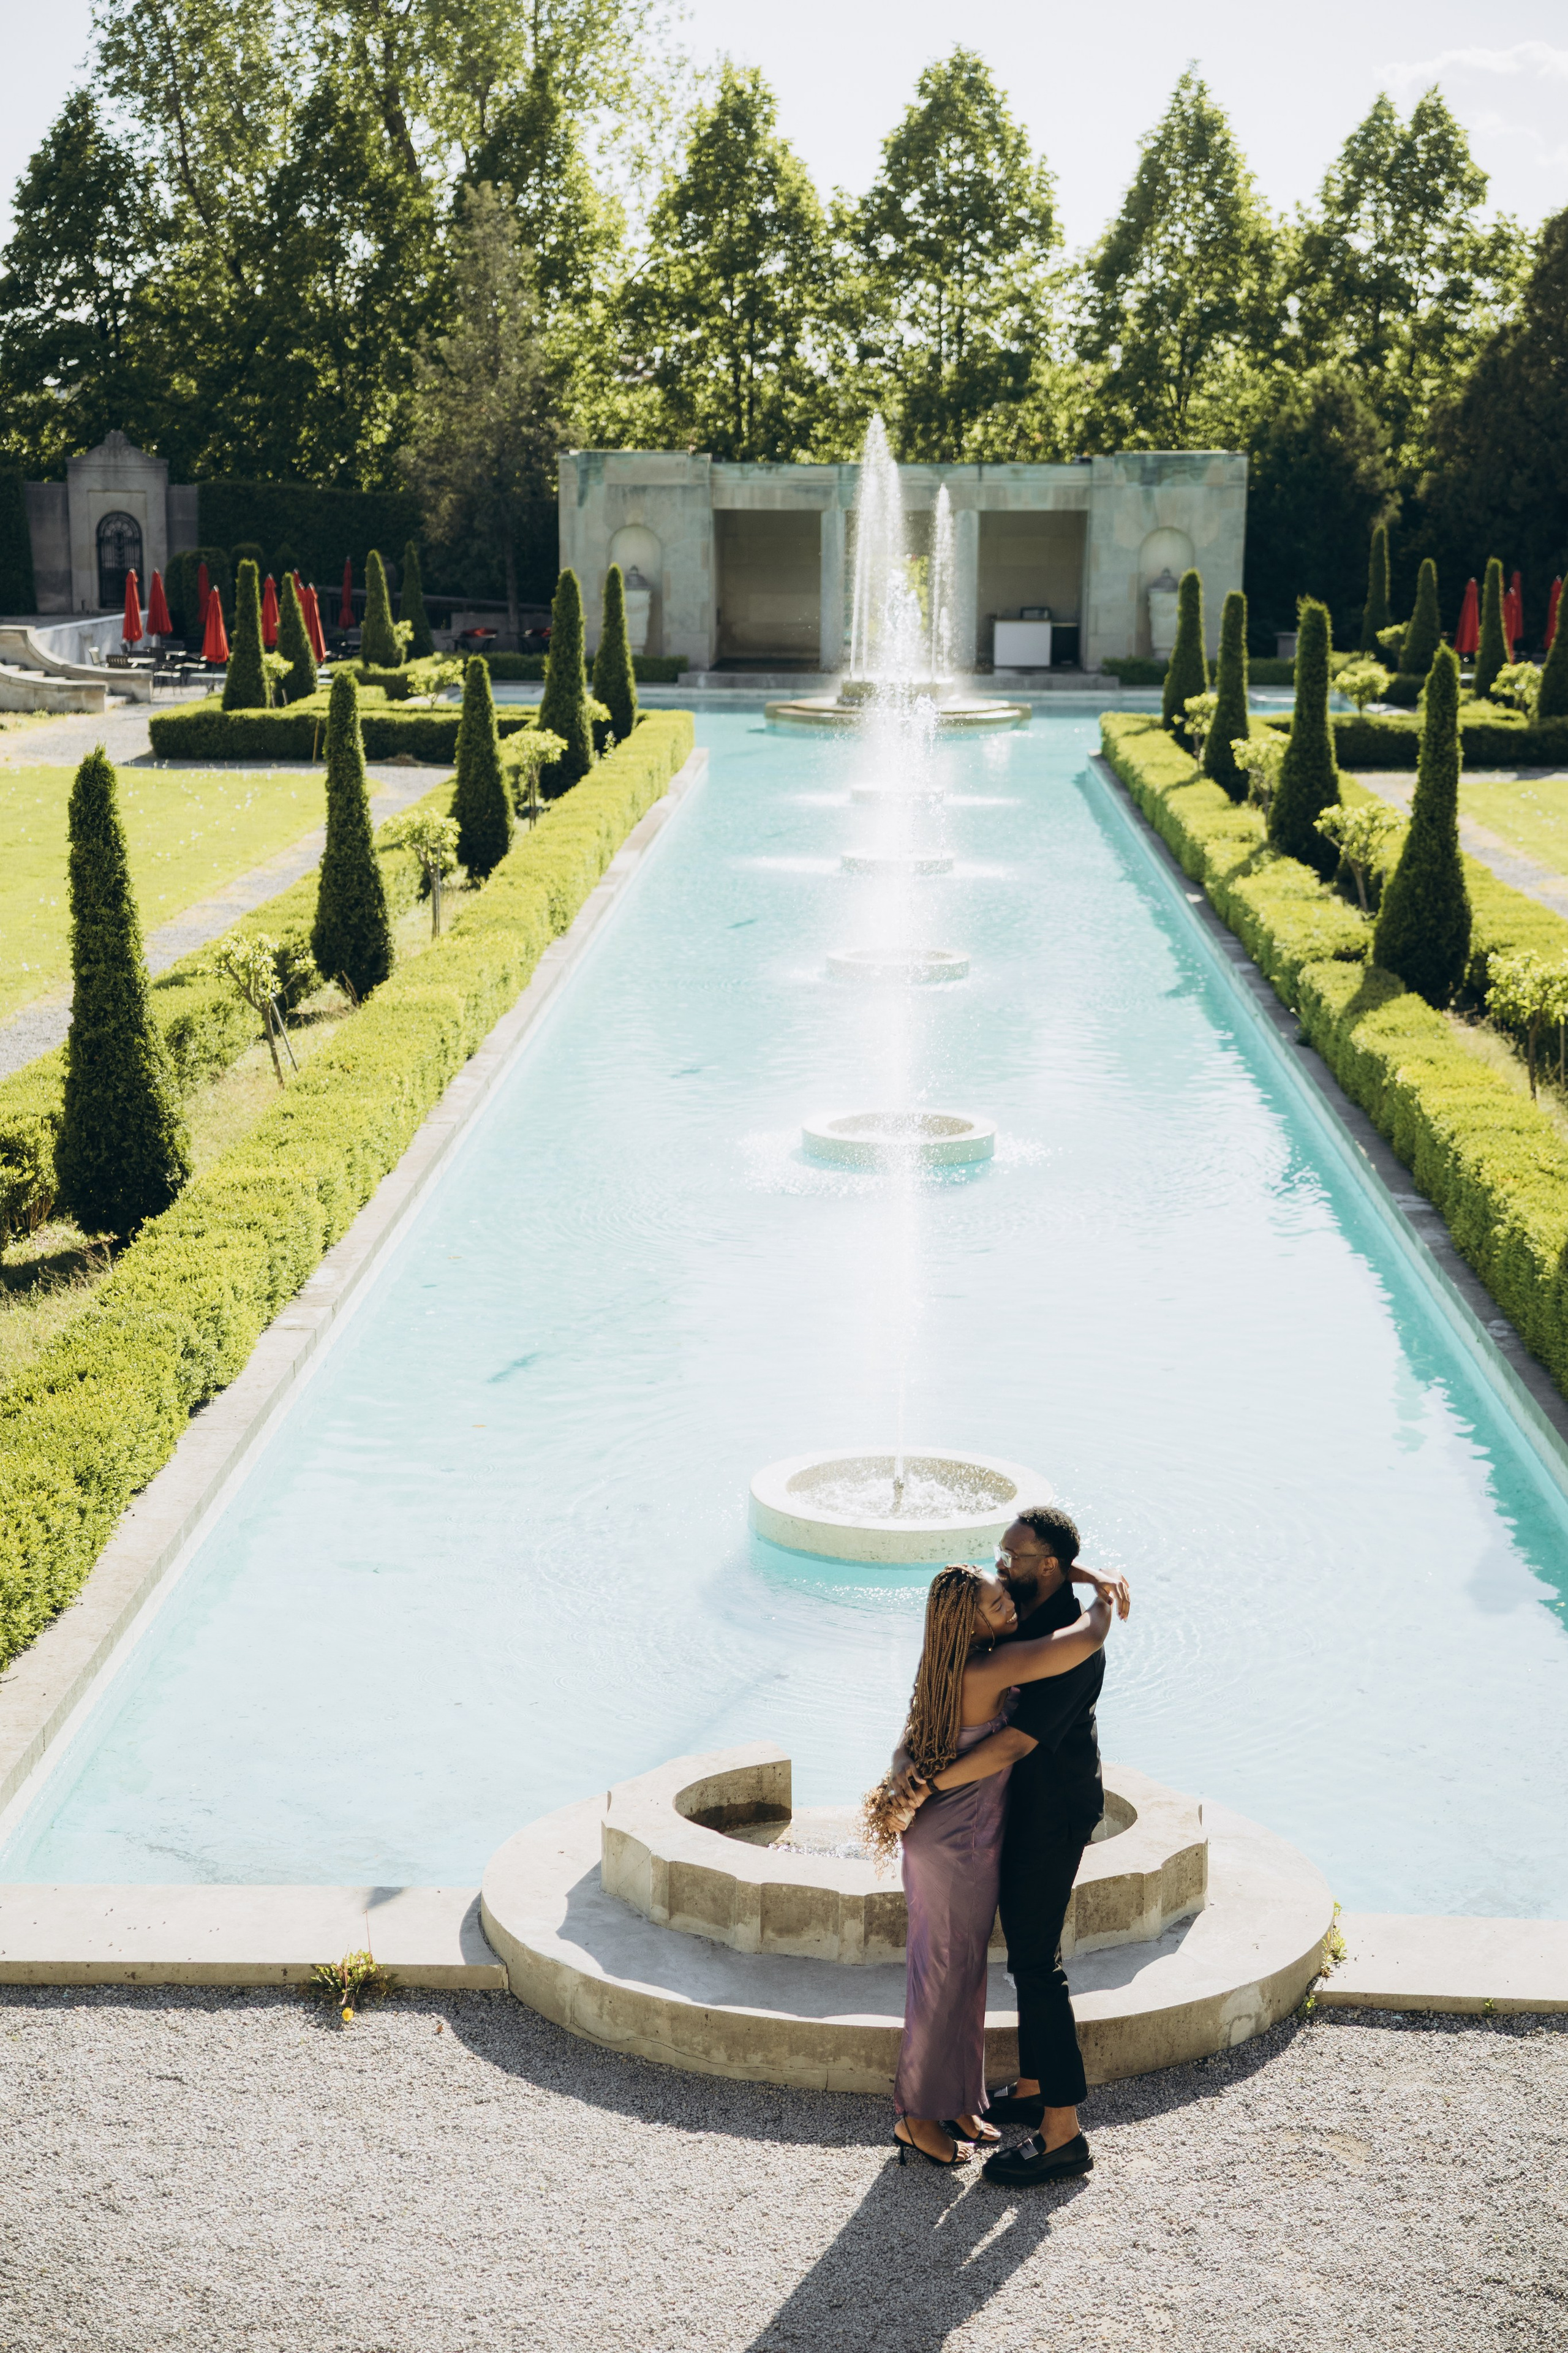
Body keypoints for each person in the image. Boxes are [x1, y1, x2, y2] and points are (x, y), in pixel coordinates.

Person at [899, 1504, 1130, 2188]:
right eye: (1001, 1556)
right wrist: (1094, 1575)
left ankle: (1062, 2132)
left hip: (1050, 1817)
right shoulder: (1020, 1618)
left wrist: (925, 1782)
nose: (1001, 1567)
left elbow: (1013, 1744)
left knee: (1035, 1963)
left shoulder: (1068, 1645)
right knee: (1004, 1959)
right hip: (1001, 1818)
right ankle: (1029, 2087)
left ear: (1047, 1566)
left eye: (1013, 1557)